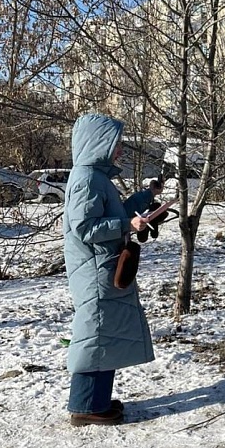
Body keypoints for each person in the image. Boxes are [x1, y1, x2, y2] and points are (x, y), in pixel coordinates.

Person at [63, 113, 162, 426]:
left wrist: (148, 197)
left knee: (103, 337)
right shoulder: (86, 179)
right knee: (95, 336)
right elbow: (85, 228)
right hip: (95, 272)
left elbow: (115, 210)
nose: (119, 148)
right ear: (97, 143)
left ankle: (96, 400)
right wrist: (125, 224)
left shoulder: (96, 177)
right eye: (115, 143)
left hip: (103, 269)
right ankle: (85, 406)